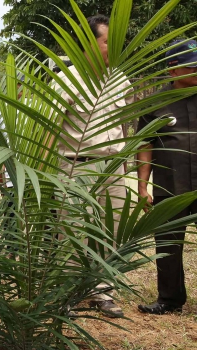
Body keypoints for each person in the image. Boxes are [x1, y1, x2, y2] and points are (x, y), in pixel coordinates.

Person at [54, 14, 134, 318]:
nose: (114, 47)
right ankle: (68, 294)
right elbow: (49, 131)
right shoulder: (65, 79)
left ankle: (103, 291)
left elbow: (123, 125)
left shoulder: (120, 79)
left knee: (108, 230)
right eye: (107, 41)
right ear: (90, 43)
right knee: (73, 232)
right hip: (77, 166)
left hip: (113, 168)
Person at [136, 39, 197, 315]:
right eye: (192, 66)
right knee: (168, 245)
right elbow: (145, 145)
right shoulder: (155, 103)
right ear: (173, 71)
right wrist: (142, 186)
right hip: (169, 186)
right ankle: (169, 300)